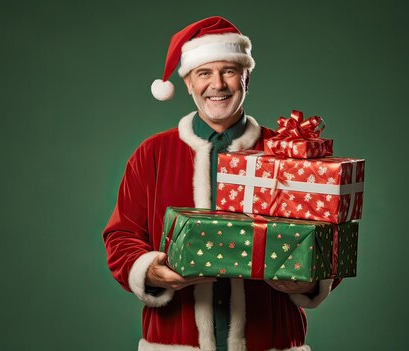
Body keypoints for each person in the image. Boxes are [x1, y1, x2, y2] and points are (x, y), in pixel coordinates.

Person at [103, 16, 337, 351]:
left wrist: (307, 277)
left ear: (246, 77)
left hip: (269, 338)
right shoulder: (152, 153)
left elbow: (328, 241)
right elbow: (121, 236)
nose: (218, 84)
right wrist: (150, 271)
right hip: (175, 339)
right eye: (204, 73)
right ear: (187, 83)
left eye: (228, 70)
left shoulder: (286, 153)